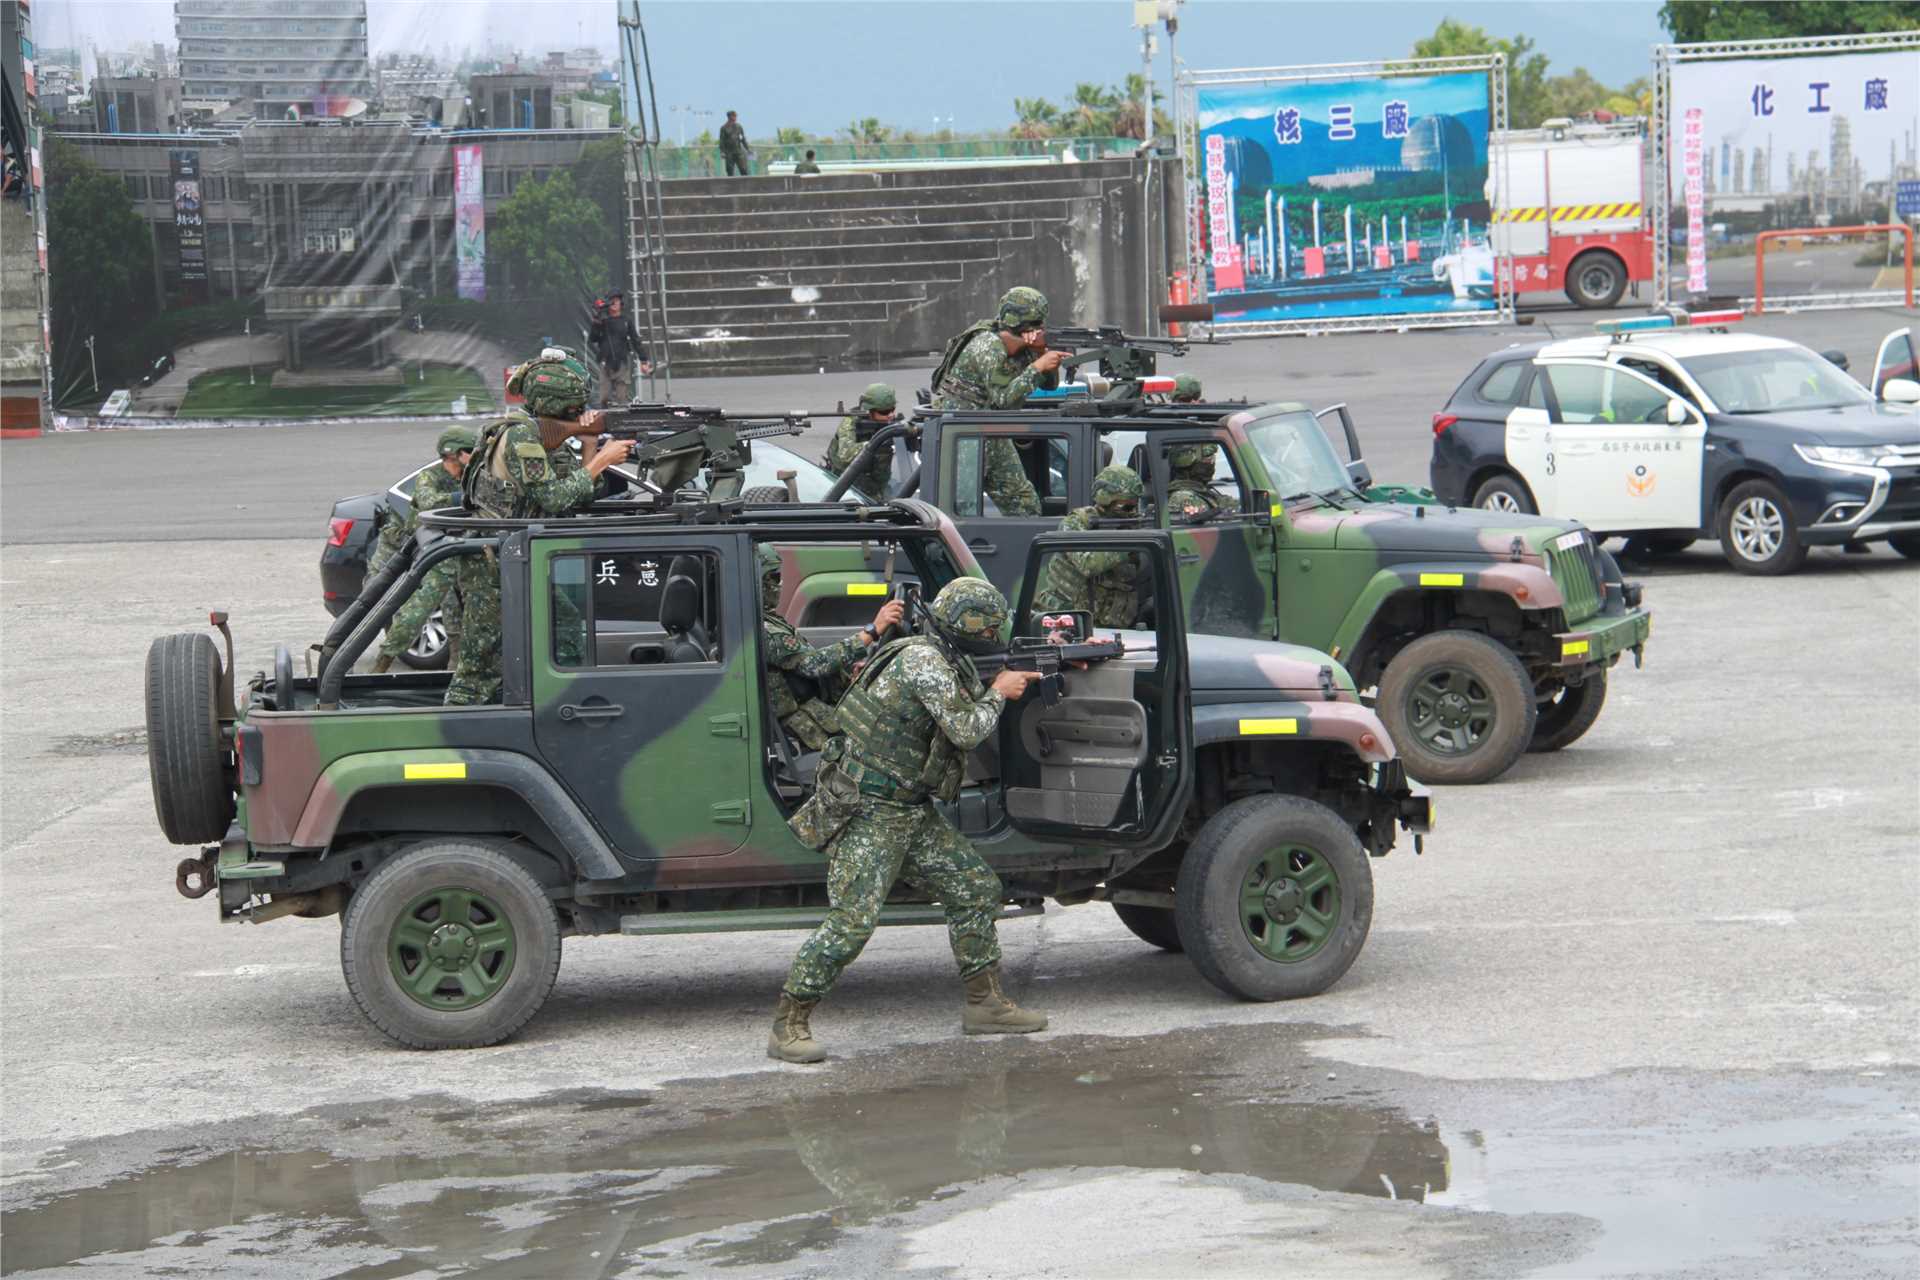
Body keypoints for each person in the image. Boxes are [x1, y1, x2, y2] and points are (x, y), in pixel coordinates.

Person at [770, 578, 1048, 1063]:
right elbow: (966, 729)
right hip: (873, 809)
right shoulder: (924, 661)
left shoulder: (929, 650)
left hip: (907, 808)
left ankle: (985, 1005)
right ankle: (788, 1024)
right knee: (852, 922)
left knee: (974, 888)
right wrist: (1000, 692)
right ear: (971, 629)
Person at [446, 350, 633, 706]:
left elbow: (583, 490)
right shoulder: (520, 437)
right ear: (559, 402)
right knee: (480, 662)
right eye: (574, 405)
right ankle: (454, 730)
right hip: (491, 564)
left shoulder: (539, 435)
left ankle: (559, 704)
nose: (578, 410)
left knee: (565, 631)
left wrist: (591, 443)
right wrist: (605, 460)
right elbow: (554, 498)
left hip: (514, 558)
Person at [928, 286, 1067, 516]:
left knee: (1024, 503)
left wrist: (1044, 354)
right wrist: (1037, 366)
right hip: (965, 433)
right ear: (1019, 323)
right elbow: (1003, 398)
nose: (1040, 328)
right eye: (1035, 323)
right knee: (963, 508)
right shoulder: (987, 344)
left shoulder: (1025, 344)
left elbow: (1049, 385)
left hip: (991, 430)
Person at [758, 544, 906, 750]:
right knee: (890, 740)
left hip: (813, 708)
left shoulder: (769, 622)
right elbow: (813, 664)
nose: (779, 583)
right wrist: (871, 632)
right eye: (773, 578)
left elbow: (807, 658)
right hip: (801, 725)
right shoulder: (763, 630)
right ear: (757, 581)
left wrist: (849, 672)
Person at [369, 425, 476, 675]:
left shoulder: (471, 476)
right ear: (453, 455)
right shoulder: (431, 477)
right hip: (412, 549)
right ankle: (372, 664)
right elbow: (429, 502)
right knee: (382, 607)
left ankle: (454, 670)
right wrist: (463, 498)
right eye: (468, 452)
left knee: (454, 616)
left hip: (445, 550)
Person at [1033, 465, 1144, 628]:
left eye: (1135, 505)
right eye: (1127, 506)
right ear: (1106, 498)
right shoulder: (1075, 523)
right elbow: (1088, 564)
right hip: (1066, 620)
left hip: (1107, 620)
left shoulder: (1132, 524)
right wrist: (1130, 542)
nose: (1132, 511)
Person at [821, 383, 898, 499]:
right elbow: (845, 454)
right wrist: (875, 442)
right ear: (869, 411)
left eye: (892, 410)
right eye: (884, 412)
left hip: (877, 484)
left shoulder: (890, 423)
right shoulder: (850, 422)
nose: (891, 415)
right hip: (844, 484)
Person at [588, 291, 649, 404]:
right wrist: (596, 321)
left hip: (622, 362)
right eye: (612, 300)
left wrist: (643, 360)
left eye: (616, 299)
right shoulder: (603, 320)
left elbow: (636, 340)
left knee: (622, 397)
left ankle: (622, 419)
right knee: (604, 398)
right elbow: (593, 339)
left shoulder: (626, 320)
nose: (614, 302)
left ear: (621, 302)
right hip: (605, 362)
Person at [1166, 443, 1227, 521]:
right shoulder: (1183, 498)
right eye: (1207, 457)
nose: (1212, 462)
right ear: (1187, 462)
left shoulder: (1201, 492)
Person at [719, 110, 751, 176]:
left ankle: (746, 184)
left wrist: (747, 149)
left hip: (738, 152)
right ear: (729, 117)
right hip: (729, 153)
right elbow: (722, 141)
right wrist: (722, 152)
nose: (735, 118)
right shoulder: (724, 128)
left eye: (735, 116)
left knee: (743, 169)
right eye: (733, 116)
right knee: (730, 171)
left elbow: (743, 139)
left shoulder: (739, 127)